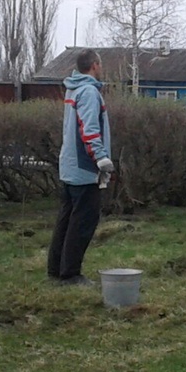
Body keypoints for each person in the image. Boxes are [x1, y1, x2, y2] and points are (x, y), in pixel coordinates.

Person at [47, 49, 114, 286]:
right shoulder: (88, 92)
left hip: (69, 165)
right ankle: (71, 274)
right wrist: (101, 159)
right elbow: (88, 129)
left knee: (66, 219)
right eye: (100, 64)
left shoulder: (73, 88)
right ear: (95, 65)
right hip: (84, 169)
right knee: (82, 222)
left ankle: (56, 269)